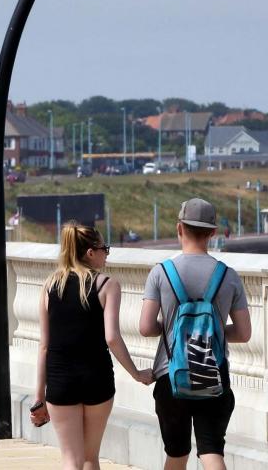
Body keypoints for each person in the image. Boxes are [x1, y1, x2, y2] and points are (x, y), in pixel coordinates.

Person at [139, 198, 252, 470]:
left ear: (179, 228)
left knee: (177, 452)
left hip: (170, 376)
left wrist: (171, 328)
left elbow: (145, 327)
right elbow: (243, 333)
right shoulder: (228, 276)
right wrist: (212, 332)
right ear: (213, 233)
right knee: (211, 451)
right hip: (213, 374)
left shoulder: (161, 273)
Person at [31, 222, 153, 470]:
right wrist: (137, 374)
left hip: (60, 379)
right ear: (90, 252)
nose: (106, 254)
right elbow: (112, 338)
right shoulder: (107, 285)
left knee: (71, 460)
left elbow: (44, 345)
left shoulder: (50, 286)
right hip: (96, 377)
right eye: (104, 249)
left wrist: (38, 397)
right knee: (90, 457)